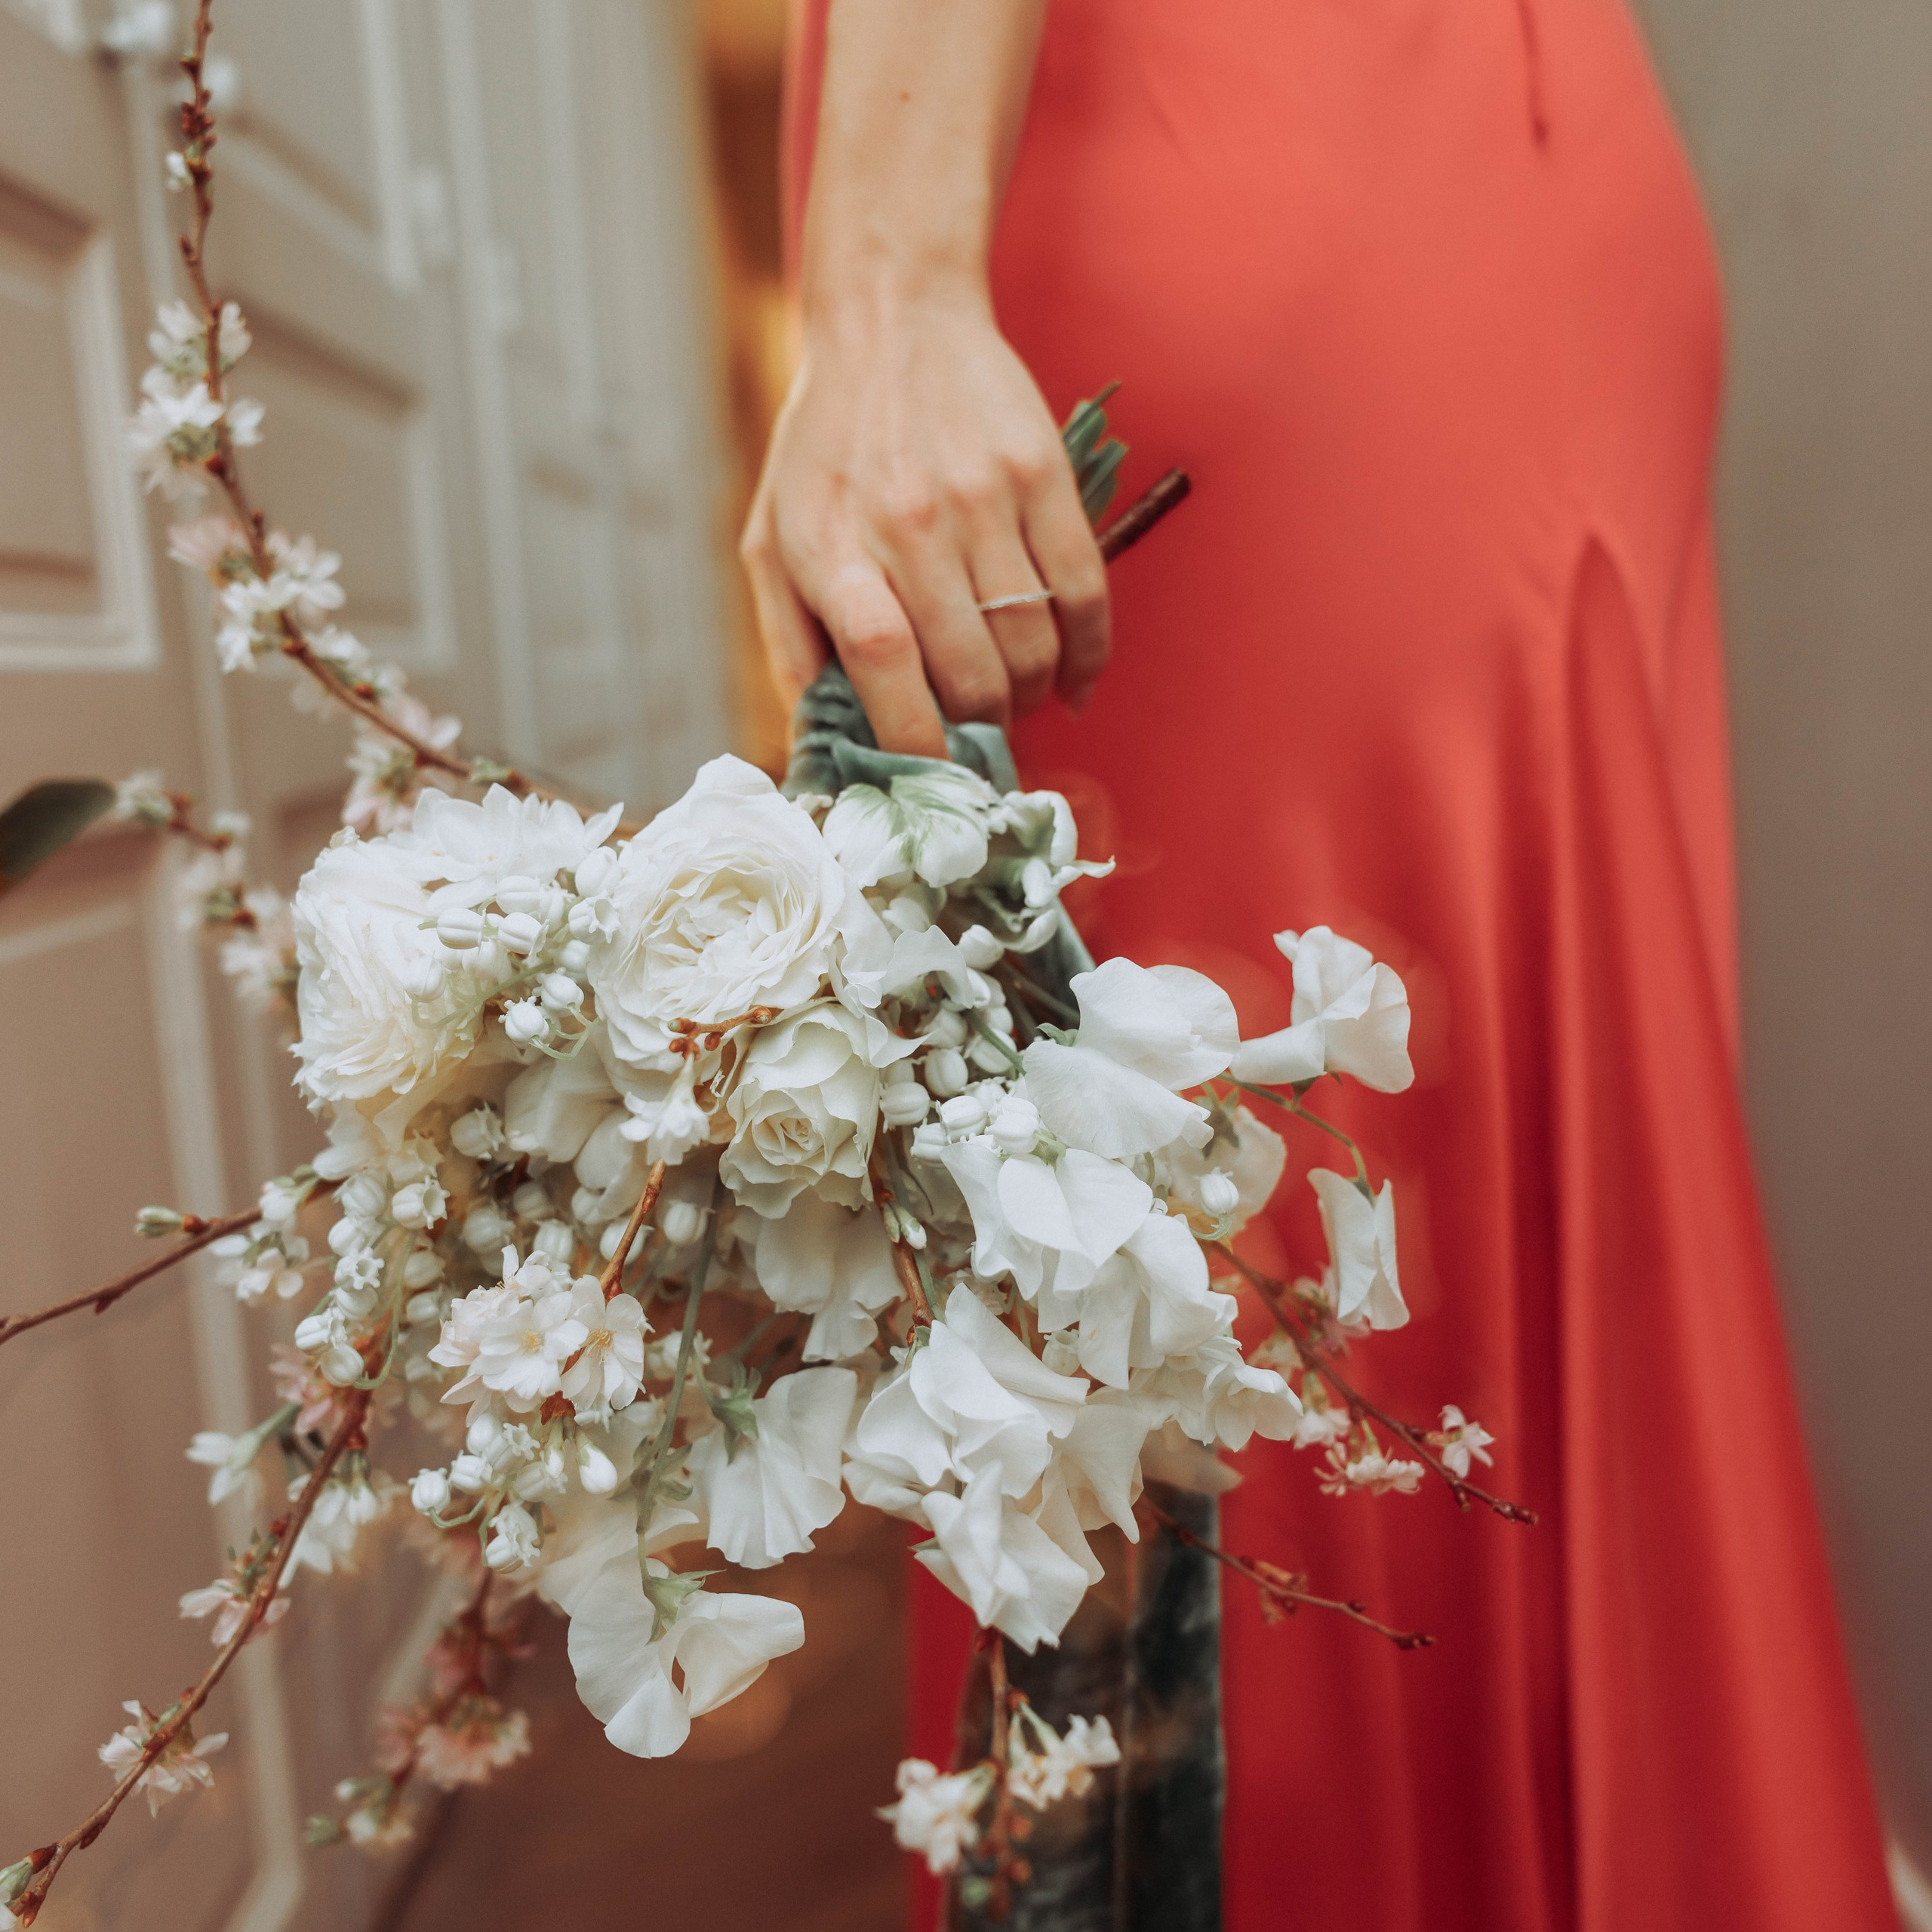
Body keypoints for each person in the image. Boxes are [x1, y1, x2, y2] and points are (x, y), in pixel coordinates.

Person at [743, 4, 1899, 1926]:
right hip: (1498, 176)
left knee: (1183, 1246)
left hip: (1204, 154)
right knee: (1285, 1246)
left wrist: (883, 294)